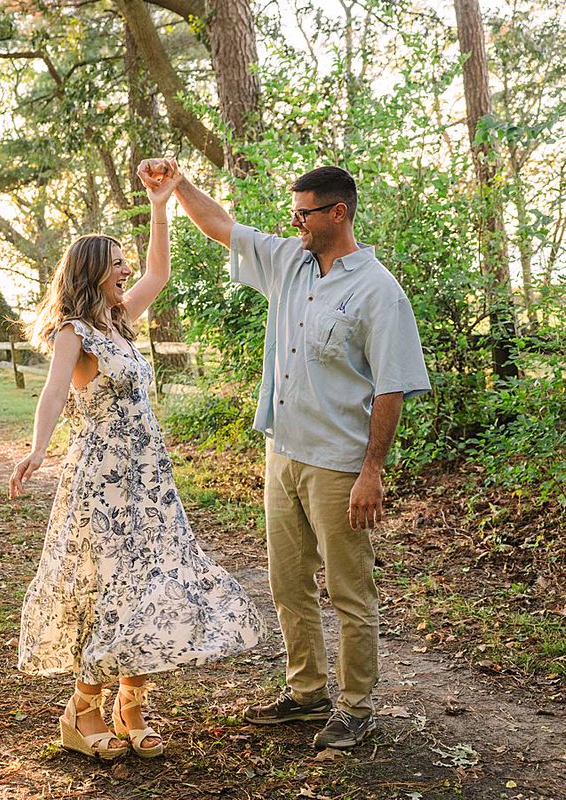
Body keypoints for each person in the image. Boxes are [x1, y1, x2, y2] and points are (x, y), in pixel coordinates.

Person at [166, 163, 431, 750]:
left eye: (304, 213)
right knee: (288, 584)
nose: (295, 222)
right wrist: (178, 185)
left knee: (349, 590)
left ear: (337, 213)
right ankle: (307, 694)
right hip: (281, 454)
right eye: (294, 213)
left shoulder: (379, 291)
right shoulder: (289, 260)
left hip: (339, 464)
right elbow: (222, 227)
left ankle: (356, 708)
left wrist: (371, 471)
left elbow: (391, 387)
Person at [10, 158, 265, 760]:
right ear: (94, 272)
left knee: (149, 582)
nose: (128, 270)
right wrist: (38, 448)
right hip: (103, 478)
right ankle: (82, 711)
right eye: (117, 263)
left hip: (149, 477)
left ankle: (131, 707)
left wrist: (160, 204)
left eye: (126, 262)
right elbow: (54, 391)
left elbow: (160, 271)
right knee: (110, 585)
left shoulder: (121, 322)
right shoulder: (75, 332)